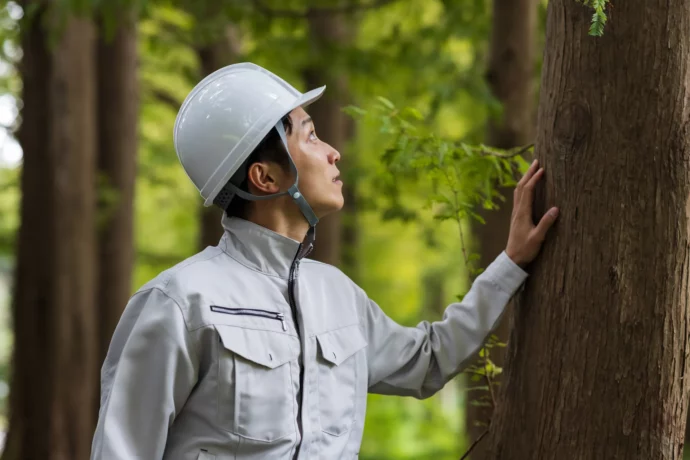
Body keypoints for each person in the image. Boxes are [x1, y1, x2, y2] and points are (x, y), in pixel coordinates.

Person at [90, 63, 559, 460]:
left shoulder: (337, 295)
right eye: (311, 136)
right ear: (265, 175)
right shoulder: (179, 303)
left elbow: (429, 361)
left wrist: (511, 262)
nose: (334, 152)